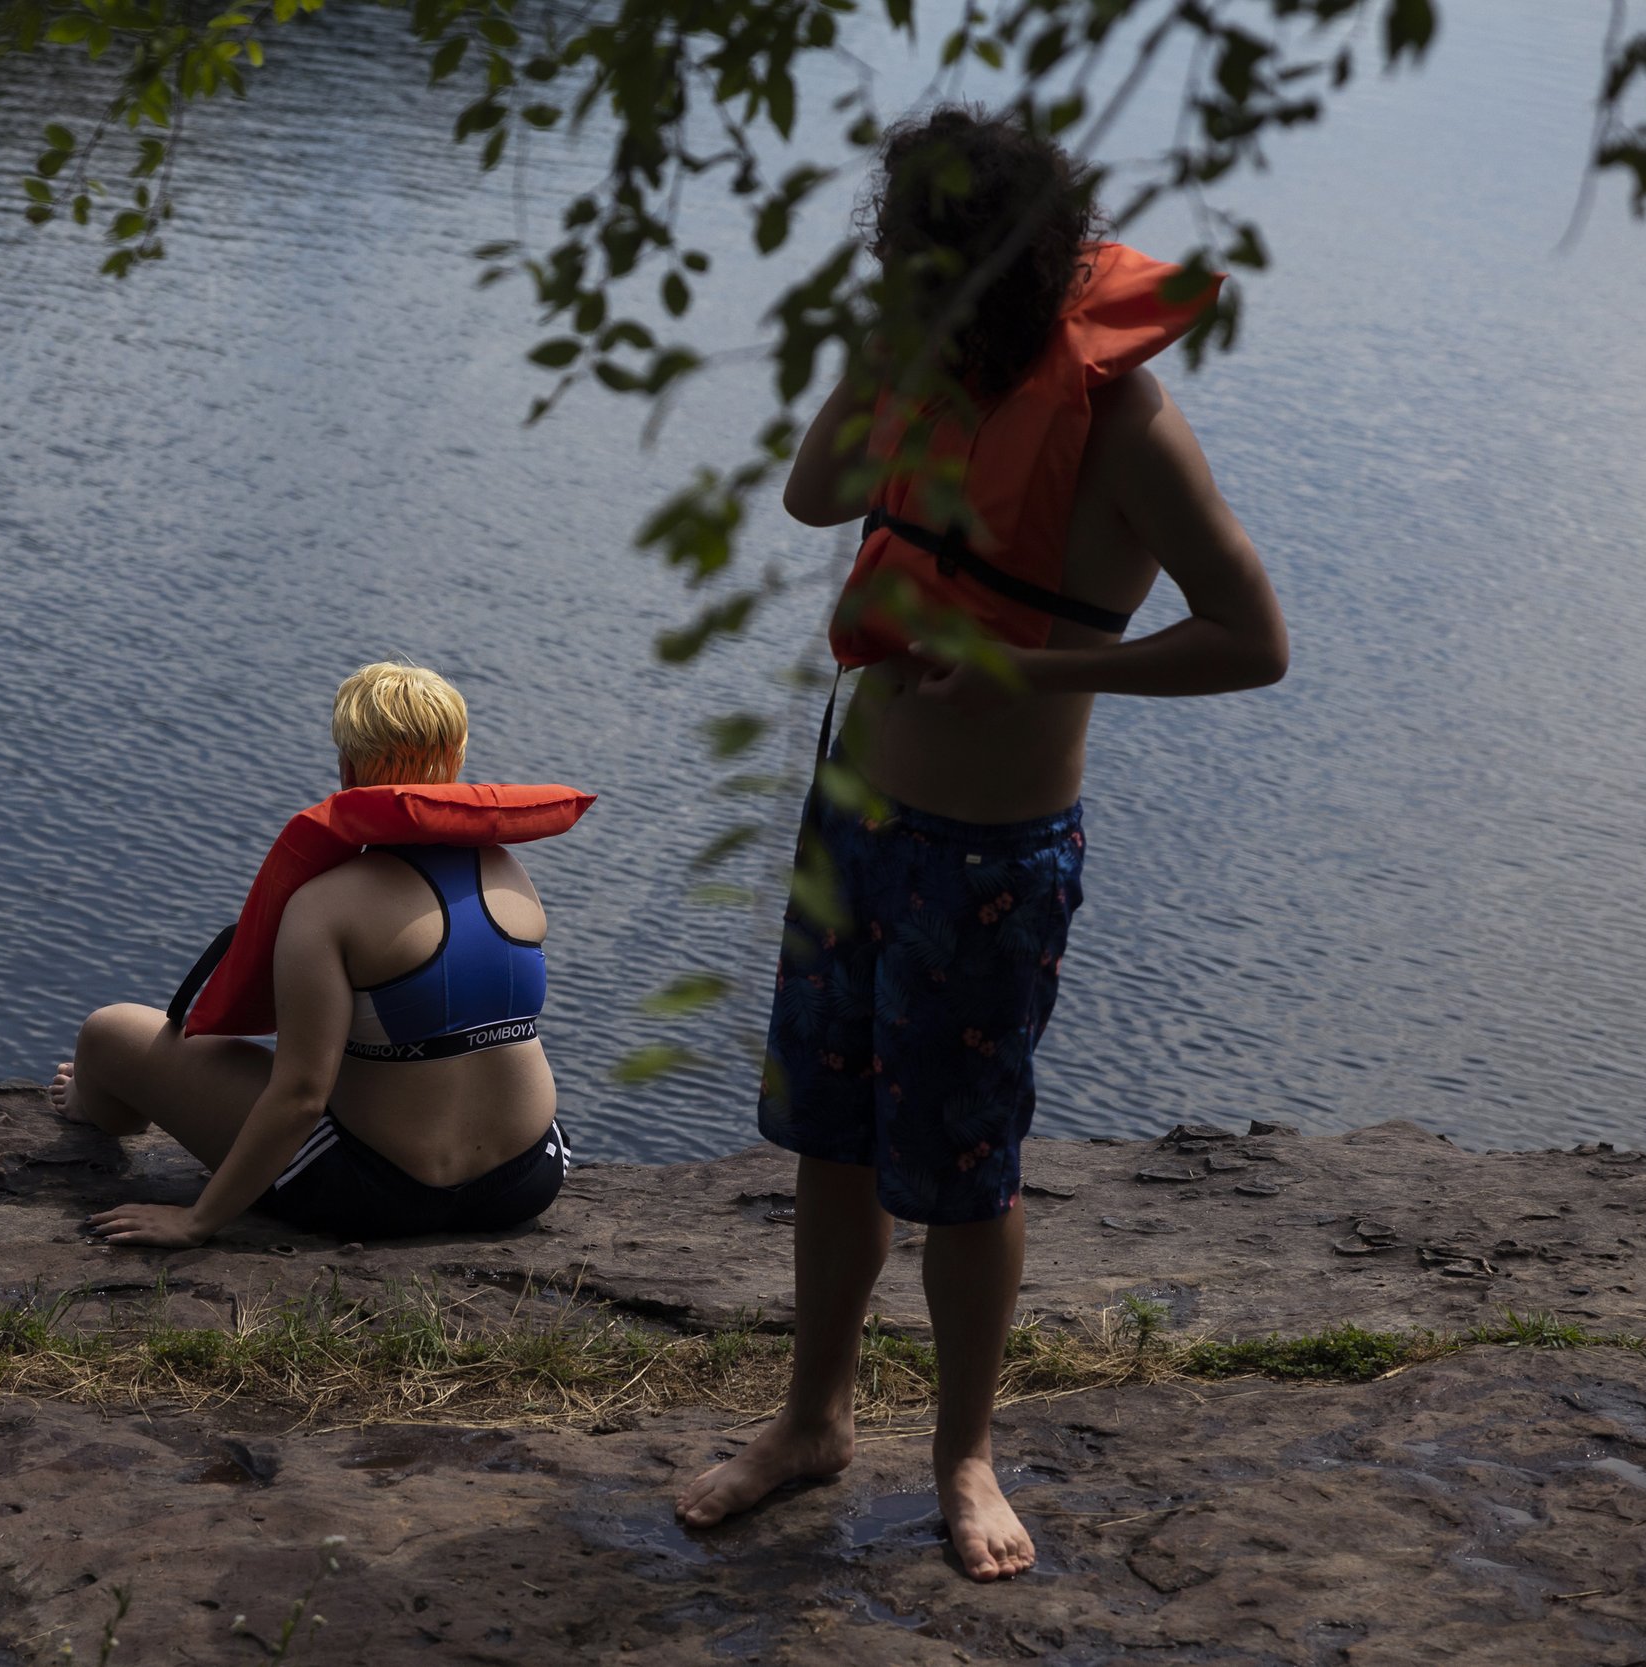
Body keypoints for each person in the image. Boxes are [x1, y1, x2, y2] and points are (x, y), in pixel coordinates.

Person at [672, 107, 1290, 1582]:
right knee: (829, 1137)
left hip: (988, 853)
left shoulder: (1129, 425)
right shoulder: (921, 363)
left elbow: (1253, 642)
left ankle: (964, 1450)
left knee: (963, 1169)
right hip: (854, 808)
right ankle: (810, 1419)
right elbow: (815, 493)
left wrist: (1040, 668)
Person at [50, 661, 577, 1245]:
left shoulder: (327, 903)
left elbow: (302, 1095)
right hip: (530, 1176)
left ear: (348, 767)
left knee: (110, 1032)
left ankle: (86, 1098)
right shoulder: (511, 875)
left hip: (379, 1192)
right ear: (456, 759)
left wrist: (198, 1221)